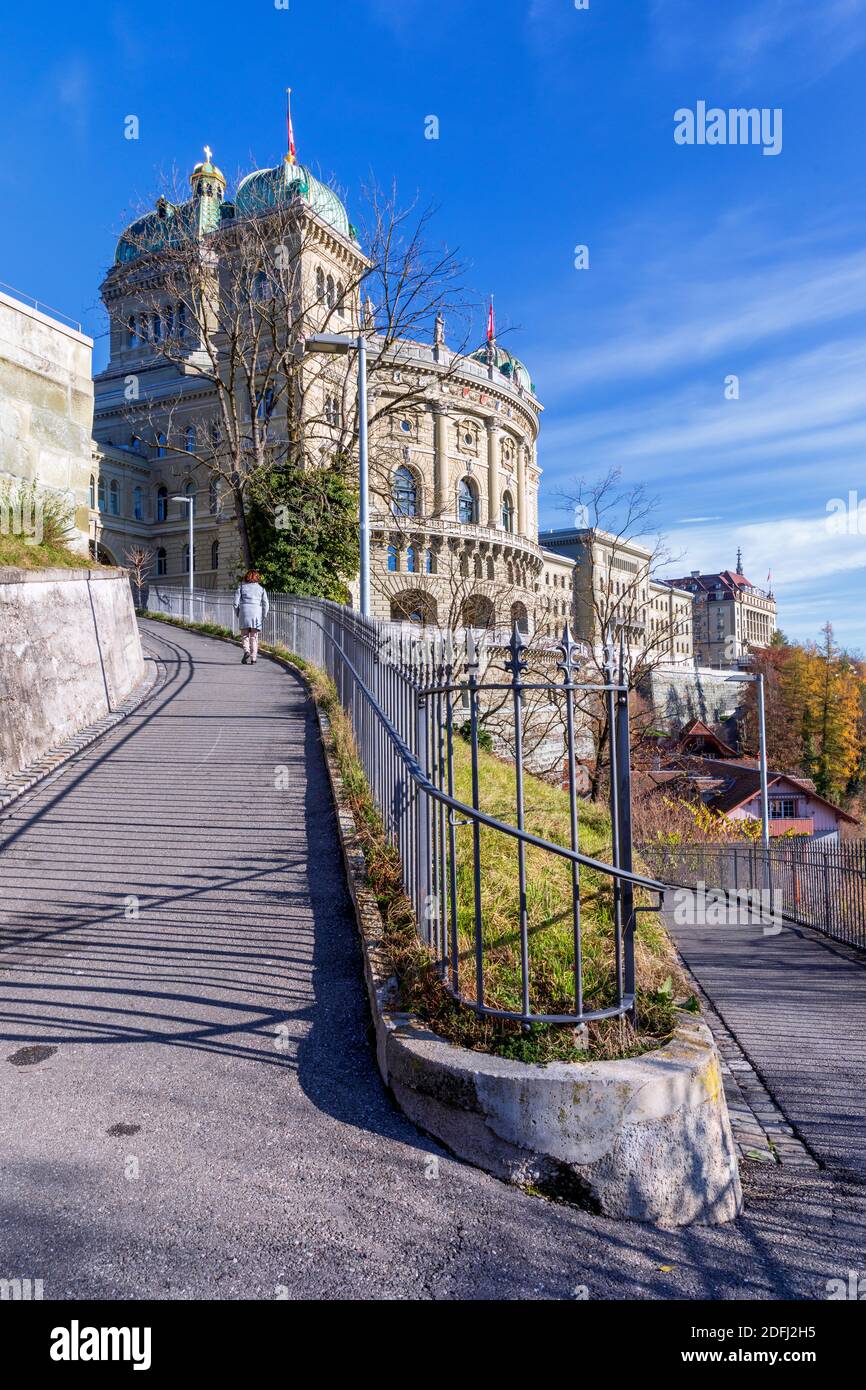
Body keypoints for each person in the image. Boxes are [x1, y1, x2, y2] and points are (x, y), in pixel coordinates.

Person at [234, 569, 269, 665]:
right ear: (257, 578)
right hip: (256, 614)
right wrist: (264, 615)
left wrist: (238, 613)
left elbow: (235, 603)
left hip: (244, 612)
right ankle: (253, 658)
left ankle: (246, 651)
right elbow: (266, 604)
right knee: (254, 637)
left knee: (245, 635)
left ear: (247, 577)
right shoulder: (261, 589)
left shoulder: (241, 587)